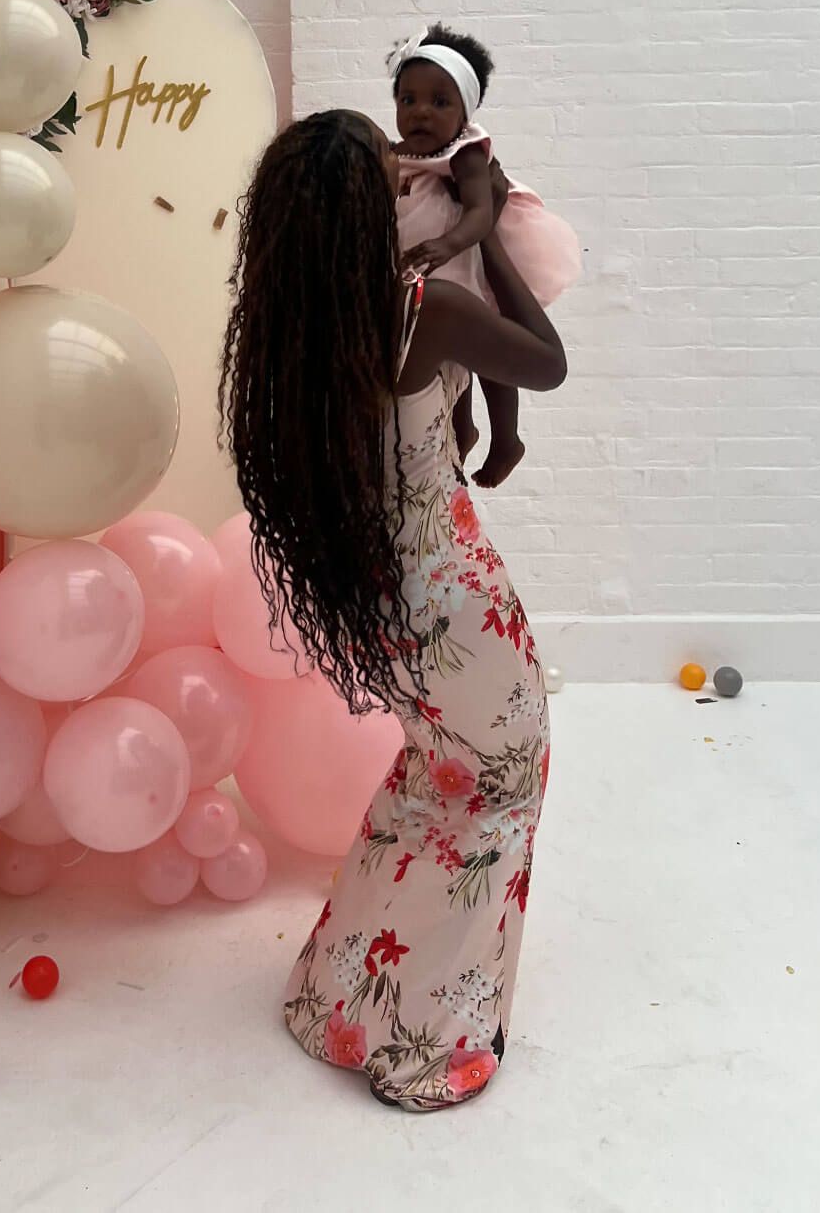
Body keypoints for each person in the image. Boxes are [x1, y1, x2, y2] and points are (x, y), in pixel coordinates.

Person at [220, 110, 566, 1110]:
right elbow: (544, 362)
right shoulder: (421, 310)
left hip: (379, 591)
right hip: (450, 592)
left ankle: (339, 998)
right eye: (389, 173)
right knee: (500, 788)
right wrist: (483, 225)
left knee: (432, 778)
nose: (406, 177)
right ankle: (427, 1044)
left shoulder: (293, 326)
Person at [392, 23, 580, 485]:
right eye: (408, 100)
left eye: (439, 102)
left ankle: (507, 438)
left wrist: (448, 244)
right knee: (450, 360)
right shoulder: (395, 157)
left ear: (464, 113)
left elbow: (480, 213)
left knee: (489, 357)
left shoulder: (466, 153)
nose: (421, 112)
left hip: (465, 260)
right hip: (435, 277)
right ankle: (463, 426)